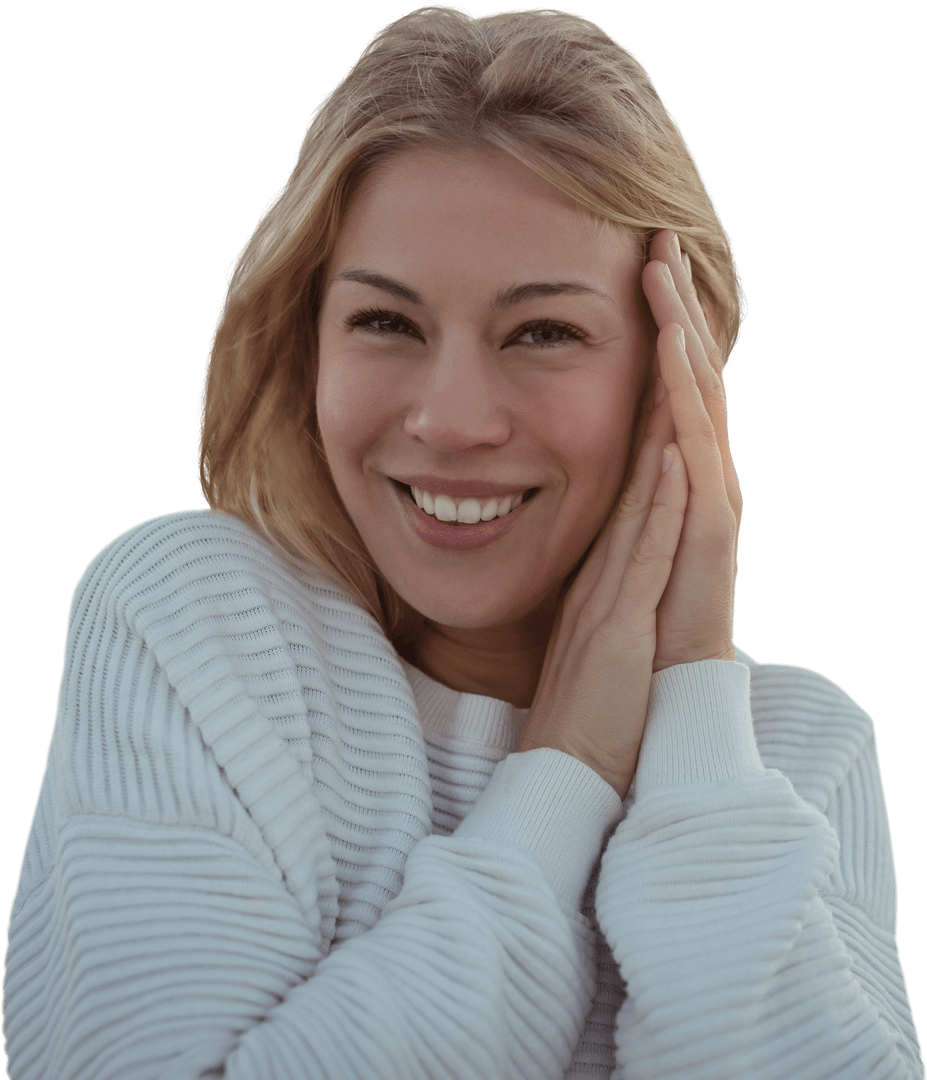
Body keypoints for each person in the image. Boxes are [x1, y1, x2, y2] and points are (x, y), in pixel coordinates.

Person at [2, 5, 923, 1078]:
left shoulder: (795, 753)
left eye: (544, 332)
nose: (451, 420)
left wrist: (692, 711)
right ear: (308, 346)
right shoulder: (196, 621)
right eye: (385, 323)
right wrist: (565, 772)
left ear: (673, 377)